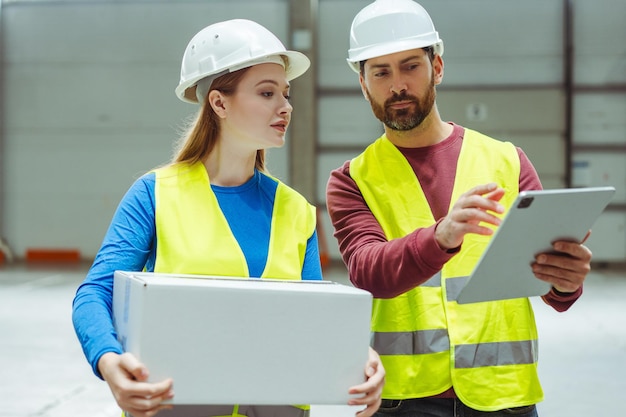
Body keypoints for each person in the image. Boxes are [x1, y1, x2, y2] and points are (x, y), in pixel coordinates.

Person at [72, 19, 384, 417]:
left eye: (285, 94)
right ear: (219, 103)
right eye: (267, 93)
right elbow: (94, 294)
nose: (285, 106)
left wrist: (361, 356)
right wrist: (108, 359)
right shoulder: (155, 195)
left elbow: (314, 318)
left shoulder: (296, 210)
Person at [325, 1, 592, 416]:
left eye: (410, 66)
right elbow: (368, 270)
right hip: (404, 400)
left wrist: (566, 279)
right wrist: (441, 236)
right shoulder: (351, 180)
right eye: (380, 71)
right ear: (363, 83)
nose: (397, 85)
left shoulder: (507, 160)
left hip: (503, 397)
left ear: (438, 68)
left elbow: (553, 290)